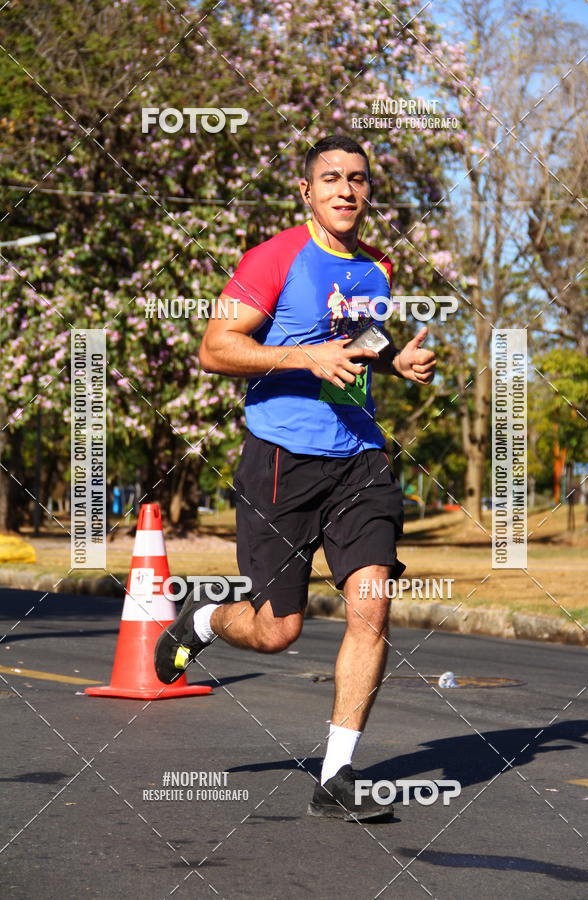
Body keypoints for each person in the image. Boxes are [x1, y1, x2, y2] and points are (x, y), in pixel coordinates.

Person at [154, 134, 437, 821]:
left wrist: (394, 362)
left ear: (369, 192)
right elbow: (215, 348)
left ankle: (336, 777)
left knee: (372, 606)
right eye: (331, 178)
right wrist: (304, 359)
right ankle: (205, 620)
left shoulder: (377, 268)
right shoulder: (274, 257)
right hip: (281, 458)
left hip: (361, 458)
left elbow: (360, 340)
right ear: (306, 191)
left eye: (358, 179)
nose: (346, 189)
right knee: (278, 630)